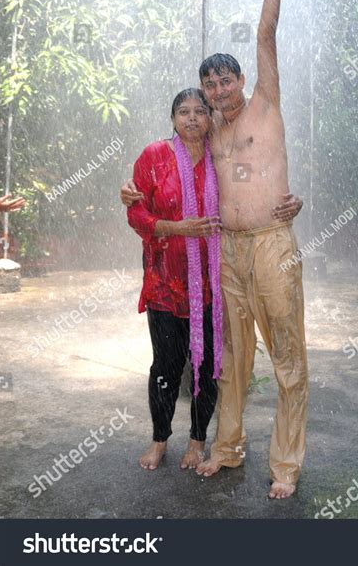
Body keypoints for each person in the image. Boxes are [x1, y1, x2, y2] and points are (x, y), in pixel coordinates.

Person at [123, 0, 308, 499]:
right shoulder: (209, 139)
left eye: (227, 81)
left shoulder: (264, 107)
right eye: (211, 86)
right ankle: (228, 447)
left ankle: (286, 466)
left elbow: (265, 34)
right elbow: (160, 187)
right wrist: (135, 194)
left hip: (272, 248)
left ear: (241, 81)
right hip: (229, 254)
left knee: (287, 360)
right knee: (231, 360)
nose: (220, 91)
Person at [127, 88, 222, 472]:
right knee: (165, 368)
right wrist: (177, 228)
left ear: (210, 118)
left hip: (213, 286)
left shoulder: (222, 157)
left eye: (200, 111)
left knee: (206, 366)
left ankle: (198, 441)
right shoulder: (154, 157)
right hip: (166, 285)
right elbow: (136, 215)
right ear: (172, 119)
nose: (193, 119)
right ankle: (160, 439)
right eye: (184, 112)